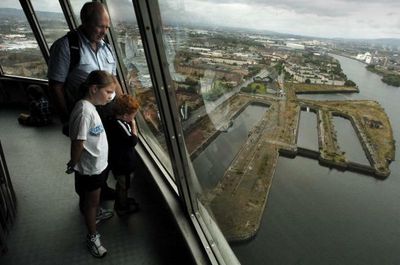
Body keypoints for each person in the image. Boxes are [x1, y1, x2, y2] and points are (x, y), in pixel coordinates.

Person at [48, 1, 121, 200]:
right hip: (84, 113)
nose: (104, 31)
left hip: (106, 111)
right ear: (85, 22)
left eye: (107, 27)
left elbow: (113, 80)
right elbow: (56, 86)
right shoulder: (66, 47)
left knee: (102, 154)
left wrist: (122, 104)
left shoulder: (106, 49)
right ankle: (85, 200)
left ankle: (102, 188)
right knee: (86, 159)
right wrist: (66, 119)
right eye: (100, 26)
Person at [66, 70, 115, 258]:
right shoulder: (84, 111)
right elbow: (78, 142)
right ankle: (92, 236)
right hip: (90, 169)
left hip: (98, 165)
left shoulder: (91, 106)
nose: (111, 97)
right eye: (108, 92)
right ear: (94, 89)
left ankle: (95, 213)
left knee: (94, 199)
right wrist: (73, 163)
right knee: (91, 202)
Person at [105, 95, 140, 216]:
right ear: (125, 116)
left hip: (116, 161)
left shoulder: (110, 120)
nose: (133, 118)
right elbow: (133, 141)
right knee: (124, 185)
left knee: (121, 184)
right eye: (133, 115)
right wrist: (134, 125)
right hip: (123, 164)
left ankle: (122, 201)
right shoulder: (121, 125)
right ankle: (122, 207)